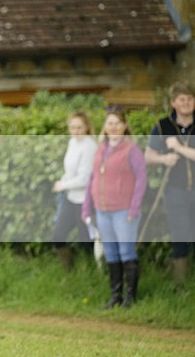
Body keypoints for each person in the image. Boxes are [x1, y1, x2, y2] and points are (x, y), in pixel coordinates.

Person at [82, 106, 147, 308]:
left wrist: (134, 208)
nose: (113, 127)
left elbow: (141, 179)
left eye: (117, 123)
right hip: (103, 210)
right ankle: (115, 296)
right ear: (105, 126)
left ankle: (130, 297)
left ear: (124, 126)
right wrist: (86, 207)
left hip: (124, 211)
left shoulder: (132, 150)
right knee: (110, 252)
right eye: (110, 123)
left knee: (126, 252)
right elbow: (92, 178)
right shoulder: (100, 149)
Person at [144, 80, 195, 291]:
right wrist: (163, 159)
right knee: (180, 236)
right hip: (175, 192)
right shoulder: (162, 126)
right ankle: (180, 285)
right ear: (173, 102)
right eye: (182, 99)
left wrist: (179, 148)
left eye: (190, 98)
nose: (186, 103)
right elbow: (148, 156)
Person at [51, 111, 98, 270]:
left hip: (85, 201)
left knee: (86, 241)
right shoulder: (73, 142)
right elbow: (70, 171)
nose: (76, 131)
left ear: (87, 127)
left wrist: (63, 185)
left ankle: (92, 272)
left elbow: (85, 179)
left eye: (79, 127)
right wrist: (62, 181)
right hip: (71, 199)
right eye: (72, 128)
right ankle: (69, 270)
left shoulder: (90, 147)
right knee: (58, 235)